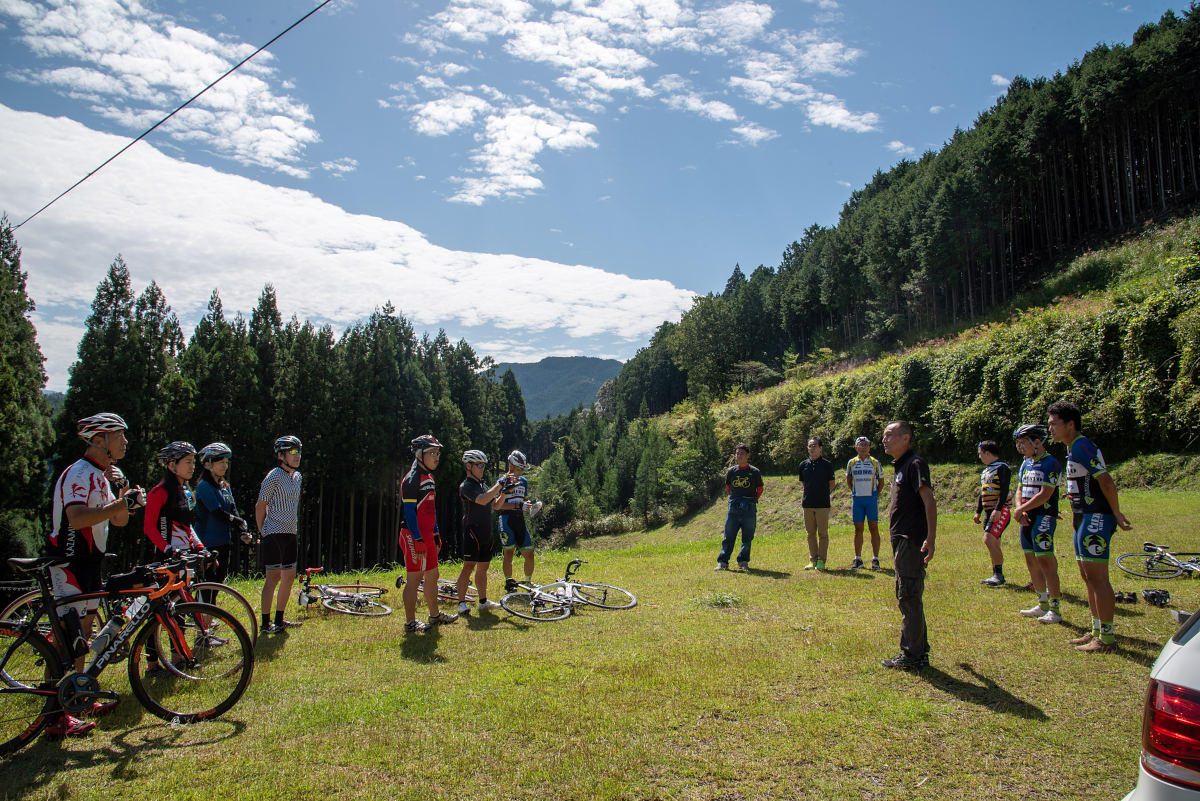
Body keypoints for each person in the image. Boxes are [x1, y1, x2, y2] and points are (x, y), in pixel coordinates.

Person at [44, 412, 145, 737]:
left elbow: (119, 522)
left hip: (90, 563)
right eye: (120, 436)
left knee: (80, 641)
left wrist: (126, 497)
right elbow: (76, 518)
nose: (126, 442)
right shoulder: (80, 473)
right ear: (100, 440)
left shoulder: (102, 477)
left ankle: (78, 698)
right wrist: (121, 503)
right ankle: (55, 717)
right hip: (70, 563)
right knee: (67, 643)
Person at [1047, 400, 1132, 652]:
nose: (1050, 429)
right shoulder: (1074, 448)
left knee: (1097, 578)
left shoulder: (1082, 445)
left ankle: (1106, 638)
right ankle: (1096, 628)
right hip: (1082, 517)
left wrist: (1115, 512)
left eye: (1054, 424)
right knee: (1087, 576)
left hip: (1096, 517)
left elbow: (1106, 481)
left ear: (1070, 425)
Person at [880, 421, 937, 671]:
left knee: (909, 595)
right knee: (906, 593)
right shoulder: (901, 466)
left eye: (890, 435)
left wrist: (931, 538)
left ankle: (913, 656)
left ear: (906, 438)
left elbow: (929, 500)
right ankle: (917, 650)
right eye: (884, 436)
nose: (885, 439)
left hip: (911, 540)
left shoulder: (915, 464)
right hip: (901, 539)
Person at [399, 434, 458, 632]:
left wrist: (436, 533)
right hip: (412, 535)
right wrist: (417, 539)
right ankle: (410, 622)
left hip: (427, 535)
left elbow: (430, 510)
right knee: (414, 579)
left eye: (437, 452)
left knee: (433, 575)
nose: (436, 457)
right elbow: (409, 513)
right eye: (431, 452)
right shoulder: (411, 480)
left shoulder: (430, 477)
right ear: (419, 454)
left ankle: (434, 615)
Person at [1011, 424, 1063, 624]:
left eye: (1023, 443)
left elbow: (1045, 494)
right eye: (1018, 443)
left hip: (1044, 516)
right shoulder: (1026, 464)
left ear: (1037, 442)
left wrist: (1020, 509)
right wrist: (1020, 508)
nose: (1020, 447)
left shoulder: (1050, 463)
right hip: (1025, 517)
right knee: (1031, 560)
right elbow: (1019, 489)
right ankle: (1042, 604)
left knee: (1046, 561)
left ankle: (1055, 609)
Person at [255, 435, 305, 635]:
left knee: (289, 577)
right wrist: (263, 531)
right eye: (292, 452)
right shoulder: (273, 476)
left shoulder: (297, 477)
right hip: (274, 533)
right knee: (273, 577)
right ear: (281, 455)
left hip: (290, 533)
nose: (297, 456)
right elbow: (261, 505)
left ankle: (280, 618)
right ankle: (266, 622)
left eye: (299, 452)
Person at [194, 442, 252, 599]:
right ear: (207, 464)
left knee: (219, 580)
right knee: (207, 582)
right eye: (221, 462)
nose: (225, 466)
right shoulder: (204, 486)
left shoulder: (224, 486)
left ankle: (209, 615)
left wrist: (242, 531)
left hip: (223, 541)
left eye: (226, 462)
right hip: (207, 541)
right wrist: (237, 521)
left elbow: (232, 509)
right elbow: (217, 512)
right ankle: (202, 615)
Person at [456, 449, 507, 614]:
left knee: (483, 568)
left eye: (483, 465)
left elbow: (496, 505)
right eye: (479, 465)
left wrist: (505, 492)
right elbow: (482, 500)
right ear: (469, 466)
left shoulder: (482, 485)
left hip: (486, 532)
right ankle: (461, 603)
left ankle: (483, 601)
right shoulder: (466, 486)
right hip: (472, 532)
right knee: (468, 567)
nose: (482, 468)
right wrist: (499, 483)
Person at [143, 441, 206, 555]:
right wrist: (167, 549)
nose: (192, 467)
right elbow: (149, 527)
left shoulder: (187, 492)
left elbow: (187, 525)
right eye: (188, 462)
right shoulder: (158, 492)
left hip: (187, 555)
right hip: (166, 559)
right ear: (172, 465)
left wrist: (200, 547)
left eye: (193, 462)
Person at [715, 443, 763, 571]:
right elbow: (728, 487)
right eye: (737, 453)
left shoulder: (754, 472)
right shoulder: (732, 471)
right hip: (734, 507)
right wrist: (736, 498)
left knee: (747, 536)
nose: (739, 456)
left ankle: (743, 561)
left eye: (742, 453)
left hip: (749, 507)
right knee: (728, 535)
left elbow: (759, 489)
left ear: (747, 455)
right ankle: (723, 562)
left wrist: (751, 501)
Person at [498, 450, 540, 590]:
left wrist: (531, 505)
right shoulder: (503, 481)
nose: (522, 471)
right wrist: (518, 505)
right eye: (520, 468)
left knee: (529, 553)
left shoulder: (524, 481)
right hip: (506, 518)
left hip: (519, 519)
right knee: (508, 553)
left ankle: (528, 582)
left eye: (523, 468)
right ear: (512, 466)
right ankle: (509, 582)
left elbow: (524, 500)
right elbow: (498, 505)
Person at [973, 441, 1012, 587]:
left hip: (1000, 510)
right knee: (993, 542)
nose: (979, 457)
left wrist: (998, 509)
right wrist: (978, 512)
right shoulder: (986, 471)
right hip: (988, 511)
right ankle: (995, 573)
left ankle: (999, 575)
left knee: (988, 539)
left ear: (988, 453)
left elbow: (1004, 490)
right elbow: (982, 493)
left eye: (980, 453)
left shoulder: (1002, 468)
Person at [845, 436, 885, 571]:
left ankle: (875, 559)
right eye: (860, 445)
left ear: (869, 448)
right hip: (858, 500)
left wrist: (874, 495)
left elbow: (881, 482)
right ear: (856, 448)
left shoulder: (875, 462)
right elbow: (849, 481)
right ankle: (858, 559)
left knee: (874, 528)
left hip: (871, 500)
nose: (863, 447)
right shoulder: (851, 463)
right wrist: (856, 492)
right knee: (858, 529)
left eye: (865, 445)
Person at [798, 436, 836, 571]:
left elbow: (831, 484)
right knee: (810, 534)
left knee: (823, 534)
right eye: (810, 446)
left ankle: (821, 561)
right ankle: (813, 560)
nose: (812, 448)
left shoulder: (827, 465)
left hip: (822, 504)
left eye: (814, 446)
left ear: (820, 448)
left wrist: (822, 494)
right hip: (807, 504)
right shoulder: (803, 465)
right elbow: (803, 483)